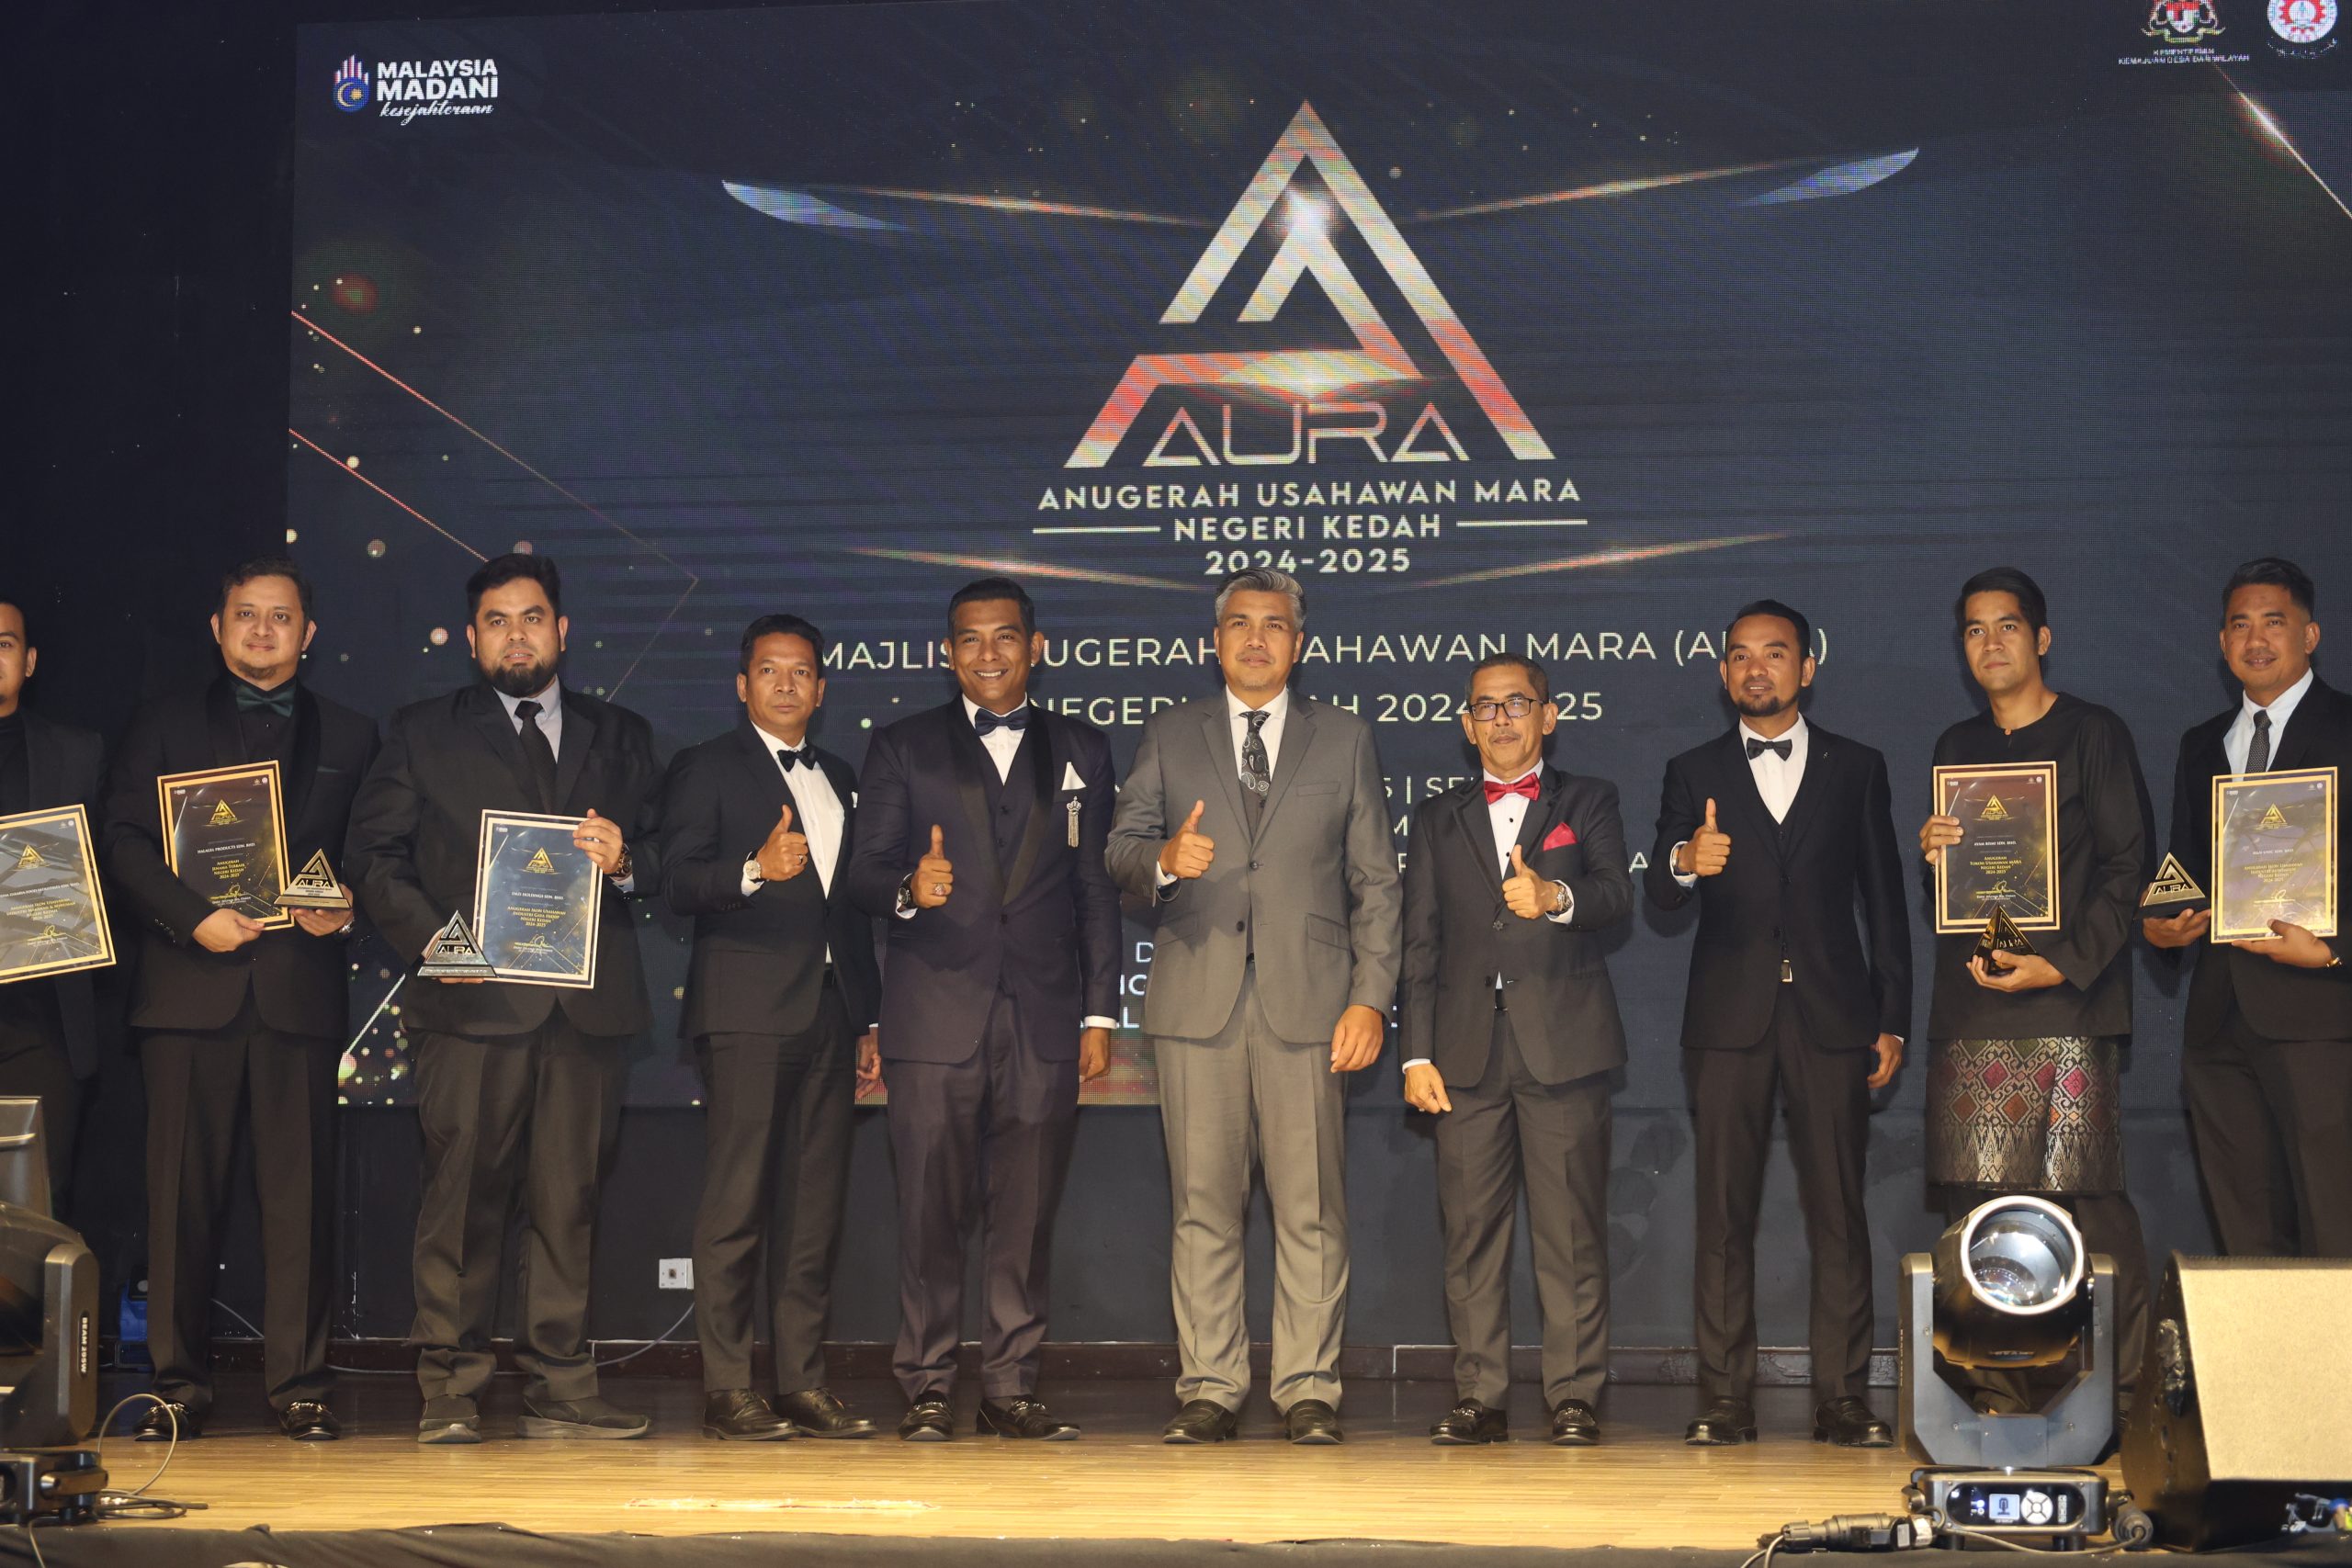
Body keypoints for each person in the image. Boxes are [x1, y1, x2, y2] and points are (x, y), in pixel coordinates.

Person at [344, 552, 664, 1444]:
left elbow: (668, 854)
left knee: (569, 1201)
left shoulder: (624, 734)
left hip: (586, 1010)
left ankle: (561, 1380)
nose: (515, 636)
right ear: (472, 638)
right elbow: (374, 856)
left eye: (531, 618)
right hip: (469, 1008)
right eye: (496, 621)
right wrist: (434, 942)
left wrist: (628, 861)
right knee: (463, 1201)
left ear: (562, 630)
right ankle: (450, 1384)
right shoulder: (421, 732)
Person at [1106, 567, 1401, 1446]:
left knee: (1311, 1208)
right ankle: (1211, 1385)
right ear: (1215, 640)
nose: (1256, 639)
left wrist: (1371, 999)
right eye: (1240, 623)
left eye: (1274, 625)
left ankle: (1308, 1387)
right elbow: (1121, 851)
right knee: (1203, 1206)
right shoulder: (1171, 732)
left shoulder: (1343, 737)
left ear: (1298, 644)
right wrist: (1165, 860)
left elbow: (1376, 883)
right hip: (1196, 1002)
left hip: (1310, 1006)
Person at [98, 558, 378, 1442]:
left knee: (302, 1201)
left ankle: (301, 1385)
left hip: (298, 994)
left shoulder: (353, 733)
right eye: (246, 614)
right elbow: (123, 841)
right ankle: (177, 1383)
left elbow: (374, 853)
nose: (263, 630)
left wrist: (348, 907)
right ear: (218, 628)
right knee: (178, 1198)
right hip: (188, 991)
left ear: (309, 633)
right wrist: (193, 919)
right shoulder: (160, 723)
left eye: (280, 616)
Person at [843, 577, 1120, 1442]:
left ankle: (1010, 1385)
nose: (988, 653)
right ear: (947, 652)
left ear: (1036, 647)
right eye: (970, 639)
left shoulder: (1083, 747)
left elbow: (1093, 887)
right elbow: (861, 873)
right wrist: (908, 886)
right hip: (932, 1013)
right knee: (928, 1208)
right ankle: (927, 1382)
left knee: (1026, 1212)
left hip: (1044, 1013)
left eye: (1005, 637)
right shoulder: (902, 745)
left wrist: (1099, 1013)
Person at [1646, 600, 1908, 1449]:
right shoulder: (1691, 769)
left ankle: (1842, 1396)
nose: (1755, 668)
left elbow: (1885, 900)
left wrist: (1893, 1016)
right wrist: (1685, 860)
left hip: (1834, 1015)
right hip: (1729, 1018)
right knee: (1723, 1212)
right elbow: (1658, 892)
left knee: (1840, 1211)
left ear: (1807, 666)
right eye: (1739, 655)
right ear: (1722, 671)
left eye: (1774, 652)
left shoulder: (1857, 765)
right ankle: (1725, 1396)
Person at [1918, 567, 2151, 1414]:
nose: (1991, 643)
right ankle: (1995, 1393)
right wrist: (1938, 858)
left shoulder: (2094, 732)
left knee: (2086, 1206)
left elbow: (2129, 867)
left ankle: (2124, 1394)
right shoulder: (1955, 747)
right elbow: (1963, 898)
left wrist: (2061, 962)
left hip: (2068, 1005)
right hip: (1976, 1007)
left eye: (2007, 626)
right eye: (1974, 630)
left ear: (2041, 638)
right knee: (1978, 1208)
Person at [659, 615, 882, 1440]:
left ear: (821, 690)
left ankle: (801, 1382)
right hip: (746, 1014)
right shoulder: (706, 766)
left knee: (814, 1207)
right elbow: (675, 881)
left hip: (832, 1013)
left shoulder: (842, 775)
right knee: (738, 1201)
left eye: (801, 672)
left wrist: (867, 1017)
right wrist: (755, 868)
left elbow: (851, 915)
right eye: (769, 670)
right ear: (742, 684)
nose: (786, 683)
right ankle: (727, 1387)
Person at [1399, 653, 1630, 1447]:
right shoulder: (1436, 817)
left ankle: (1574, 1395)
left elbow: (1617, 894)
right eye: (1485, 707)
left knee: (1570, 1233)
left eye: (1516, 703)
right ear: (1467, 726)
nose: (1500, 719)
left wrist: (1554, 895)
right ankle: (1480, 1396)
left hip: (1563, 1045)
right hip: (1462, 1054)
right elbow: (1419, 941)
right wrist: (1415, 1053)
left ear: (1548, 715)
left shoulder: (1589, 799)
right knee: (1470, 1235)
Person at [2145, 558, 2352, 1257]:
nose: (2255, 639)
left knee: (2334, 1225)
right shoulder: (2202, 744)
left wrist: (2333, 949)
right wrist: (2161, 925)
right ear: (2222, 641)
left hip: (2320, 1017)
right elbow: (2183, 871)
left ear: (2310, 634)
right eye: (2239, 625)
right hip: (2218, 1023)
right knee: (2247, 1240)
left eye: (2273, 622)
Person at [0, 600, 105, 1203]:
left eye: (5, 643)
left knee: (33, 1211)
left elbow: (108, 869)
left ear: (30, 661)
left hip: (42, 1023)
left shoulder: (77, 753)